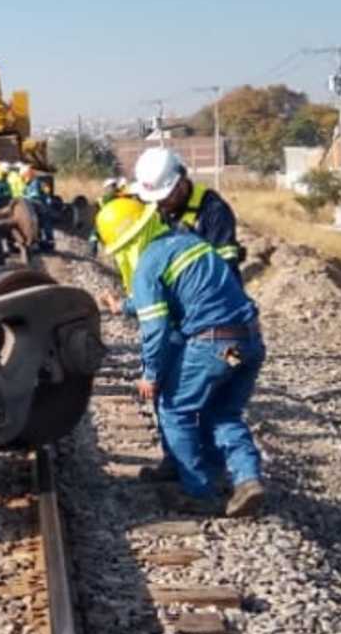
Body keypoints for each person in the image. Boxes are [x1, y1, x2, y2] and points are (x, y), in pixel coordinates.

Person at [95, 197, 266, 517]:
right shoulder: (189, 243)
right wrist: (123, 307)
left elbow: (156, 328)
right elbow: (175, 296)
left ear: (126, 243)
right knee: (222, 411)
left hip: (214, 346)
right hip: (243, 345)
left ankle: (198, 493)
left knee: (174, 408)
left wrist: (150, 373)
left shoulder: (147, 263)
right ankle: (245, 478)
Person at [134, 146, 243, 280]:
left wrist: (188, 242)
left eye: (165, 197)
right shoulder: (159, 208)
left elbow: (224, 270)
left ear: (181, 183)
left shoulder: (213, 211)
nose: (159, 204)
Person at [88, 177, 131, 256]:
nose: (111, 189)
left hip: (110, 224)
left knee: (93, 234)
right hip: (125, 221)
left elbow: (95, 212)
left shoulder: (102, 199)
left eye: (111, 187)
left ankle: (92, 252)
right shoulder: (123, 195)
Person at [21, 166, 55, 252]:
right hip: (40, 207)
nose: (23, 178)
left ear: (28, 175)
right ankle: (42, 243)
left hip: (42, 208)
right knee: (40, 225)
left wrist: (24, 198)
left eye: (24, 176)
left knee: (43, 225)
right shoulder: (29, 184)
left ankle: (48, 244)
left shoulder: (35, 183)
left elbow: (34, 196)